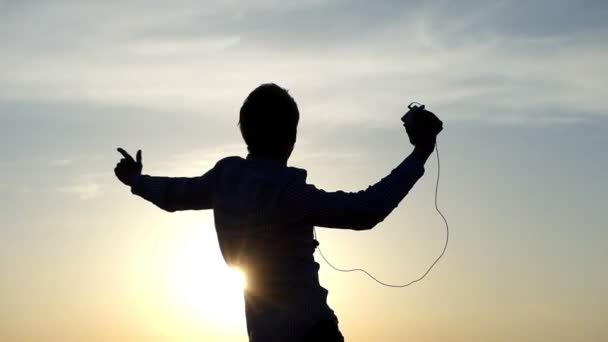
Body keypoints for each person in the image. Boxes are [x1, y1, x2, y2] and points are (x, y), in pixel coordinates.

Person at [114, 83, 442, 342]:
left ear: (245, 131)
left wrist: (135, 179)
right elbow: (365, 210)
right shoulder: (288, 189)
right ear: (292, 136)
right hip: (312, 334)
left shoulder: (225, 178)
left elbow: (172, 195)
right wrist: (420, 153)